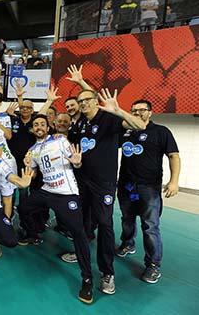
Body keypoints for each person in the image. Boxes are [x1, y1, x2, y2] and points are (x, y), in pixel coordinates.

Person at [63, 64, 146, 295]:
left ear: (95, 101)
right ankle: (80, 256)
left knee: (105, 224)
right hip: (82, 181)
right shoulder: (79, 123)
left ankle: (107, 272)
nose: (83, 104)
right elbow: (76, 152)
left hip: (104, 184)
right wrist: (77, 163)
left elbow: (139, 125)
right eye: (80, 101)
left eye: (87, 100)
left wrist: (118, 110)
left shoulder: (108, 119)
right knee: (81, 224)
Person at [19, 114, 94, 304]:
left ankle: (87, 279)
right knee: (24, 207)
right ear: (32, 129)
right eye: (35, 125)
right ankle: (33, 234)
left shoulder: (59, 140)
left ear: (48, 126)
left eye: (42, 124)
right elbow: (34, 173)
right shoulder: (32, 150)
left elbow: (75, 160)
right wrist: (29, 169)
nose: (38, 127)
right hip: (46, 191)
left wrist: (77, 161)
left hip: (66, 193)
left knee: (78, 233)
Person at [116, 99, 180, 284]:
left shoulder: (161, 132)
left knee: (150, 226)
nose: (136, 113)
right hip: (126, 185)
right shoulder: (126, 132)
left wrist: (174, 181)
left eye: (141, 110)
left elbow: (174, 156)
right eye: (133, 110)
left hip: (149, 188)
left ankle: (153, 265)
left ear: (150, 112)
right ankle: (127, 244)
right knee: (126, 218)